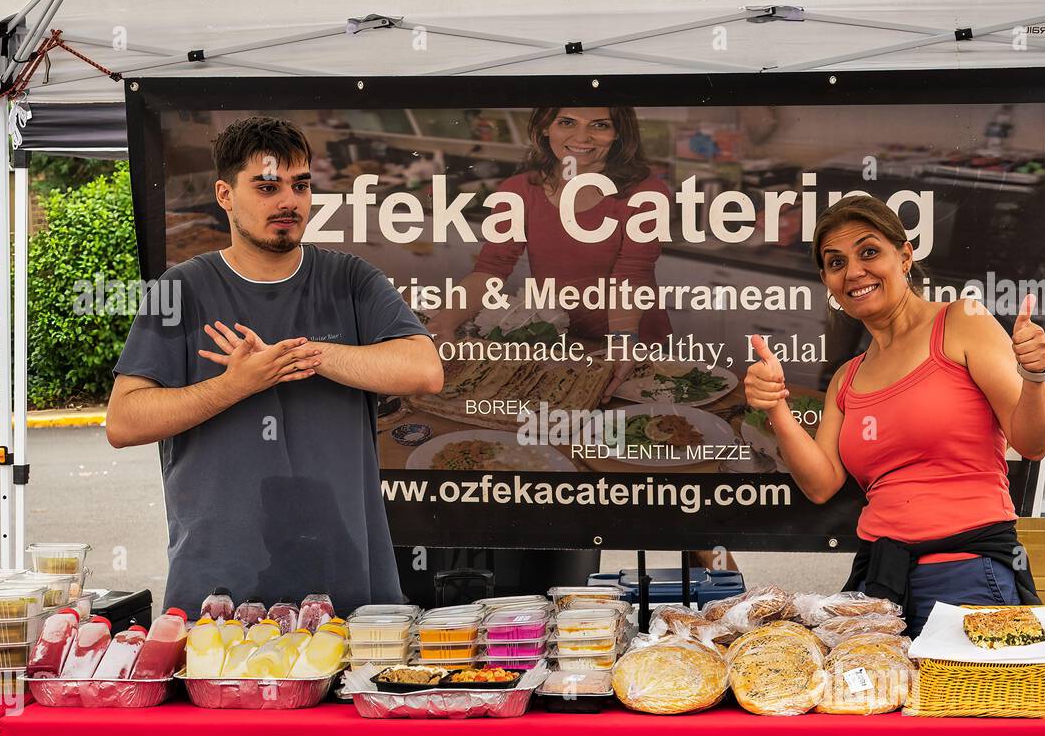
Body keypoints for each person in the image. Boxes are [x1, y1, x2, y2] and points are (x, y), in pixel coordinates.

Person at [107, 116, 444, 616]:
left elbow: (423, 370)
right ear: (224, 194)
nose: (289, 201)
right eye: (267, 187)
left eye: (300, 185)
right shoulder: (181, 289)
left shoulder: (350, 279)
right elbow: (124, 422)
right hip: (218, 583)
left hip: (348, 576)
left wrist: (302, 355)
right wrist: (237, 385)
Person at [743, 195, 1045, 637]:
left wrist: (1034, 375)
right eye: (836, 262)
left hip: (966, 573)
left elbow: (1033, 442)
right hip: (880, 581)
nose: (854, 272)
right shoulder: (847, 378)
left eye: (869, 252)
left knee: (971, 705)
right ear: (828, 282)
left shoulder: (962, 321)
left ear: (904, 256)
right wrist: (775, 406)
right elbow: (820, 483)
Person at [428, 105, 673, 401]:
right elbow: (492, 267)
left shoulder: (646, 192)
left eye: (599, 125)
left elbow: (631, 274)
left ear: (618, 133)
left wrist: (622, 343)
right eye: (566, 122)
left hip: (632, 340)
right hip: (562, 341)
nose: (582, 137)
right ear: (546, 127)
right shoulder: (519, 190)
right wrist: (443, 323)